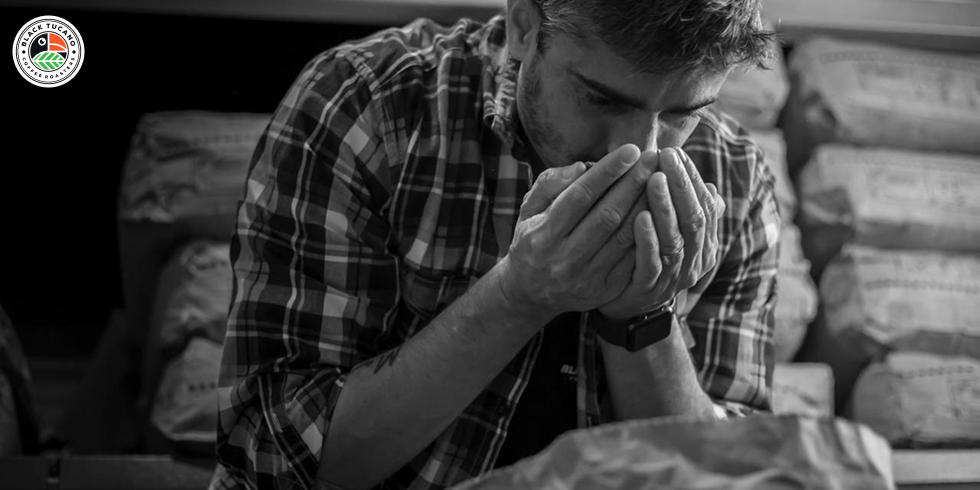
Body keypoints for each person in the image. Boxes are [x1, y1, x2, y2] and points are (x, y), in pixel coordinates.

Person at [212, 0, 780, 488]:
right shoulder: (370, 105)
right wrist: (516, 295)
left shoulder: (735, 178)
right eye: (603, 101)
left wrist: (644, 318)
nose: (634, 151)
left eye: (683, 114)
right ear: (524, 26)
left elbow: (721, 475)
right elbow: (271, 451)